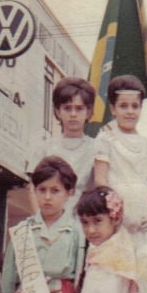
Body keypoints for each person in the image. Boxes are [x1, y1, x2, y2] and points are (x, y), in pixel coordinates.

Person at [1, 156, 84, 293]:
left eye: (55, 191)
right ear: (34, 191)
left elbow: (81, 275)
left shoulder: (77, 231)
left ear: (69, 192)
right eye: (42, 190)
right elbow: (8, 278)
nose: (47, 197)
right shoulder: (22, 231)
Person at [94, 75, 147, 240]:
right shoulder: (106, 139)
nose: (130, 111)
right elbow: (100, 181)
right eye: (123, 106)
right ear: (113, 109)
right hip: (117, 217)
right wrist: (118, 210)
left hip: (146, 218)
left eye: (135, 106)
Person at [31, 77, 96, 214]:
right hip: (51, 218)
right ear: (57, 111)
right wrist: (40, 220)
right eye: (67, 108)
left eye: (79, 109)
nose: (73, 114)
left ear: (89, 112)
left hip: (85, 218)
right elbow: (32, 187)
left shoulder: (97, 148)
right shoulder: (45, 149)